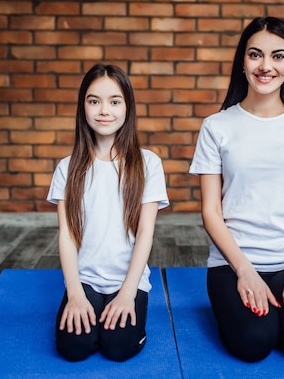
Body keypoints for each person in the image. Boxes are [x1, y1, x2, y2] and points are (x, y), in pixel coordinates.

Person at [189, 17, 284, 363]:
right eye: (255, 55)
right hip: (233, 263)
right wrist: (244, 270)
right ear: (242, 62)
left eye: (278, 56)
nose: (265, 66)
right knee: (255, 342)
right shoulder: (216, 126)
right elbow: (211, 211)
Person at [47, 64, 169, 362]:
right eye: (94, 101)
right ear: (83, 107)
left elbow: (145, 233)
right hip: (85, 279)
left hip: (128, 279)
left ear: (127, 107)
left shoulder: (147, 163)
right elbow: (67, 236)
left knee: (119, 347)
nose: (104, 110)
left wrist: (128, 292)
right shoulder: (67, 168)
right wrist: (74, 293)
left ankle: (127, 311)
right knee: (73, 348)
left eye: (114, 101)